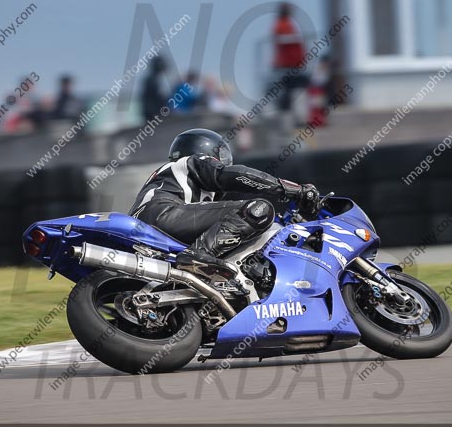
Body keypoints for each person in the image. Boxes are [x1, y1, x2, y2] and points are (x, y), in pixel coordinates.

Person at [128, 128, 318, 279]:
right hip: (165, 214)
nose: (223, 161)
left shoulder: (172, 178)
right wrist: (288, 188)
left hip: (148, 228)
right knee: (259, 209)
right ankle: (198, 255)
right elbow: (231, 175)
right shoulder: (191, 161)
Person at [141, 56, 169, 122]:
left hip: (153, 112)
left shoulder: (154, 79)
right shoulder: (152, 80)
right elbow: (157, 96)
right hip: (152, 113)